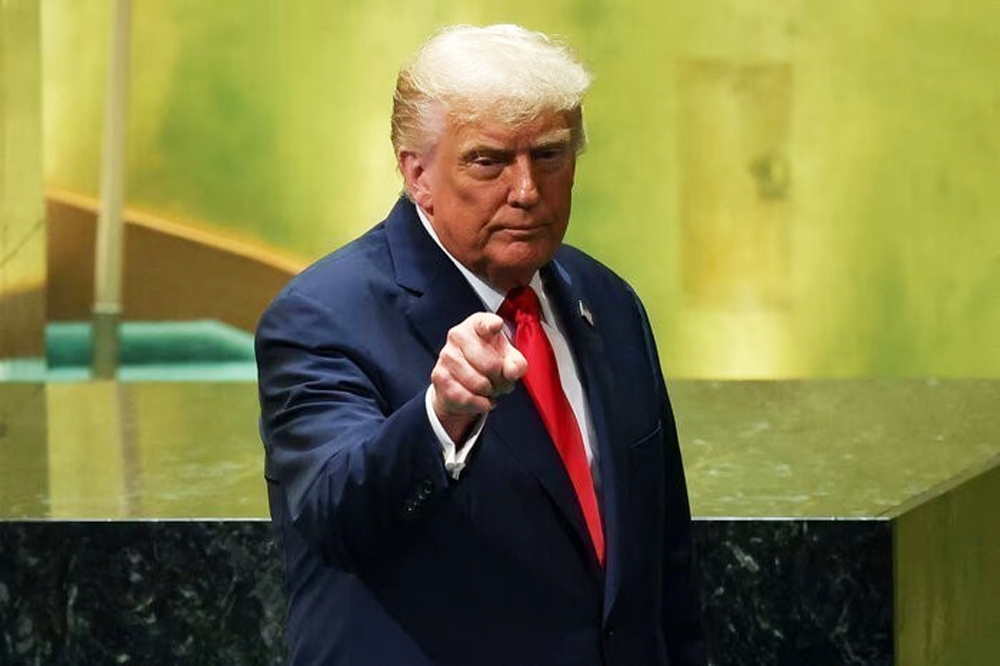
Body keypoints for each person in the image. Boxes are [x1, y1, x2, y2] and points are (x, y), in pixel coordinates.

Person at [256, 24, 706, 666]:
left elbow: (664, 565)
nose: (526, 190)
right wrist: (441, 418)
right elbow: (338, 517)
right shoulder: (323, 316)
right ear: (417, 173)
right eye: (488, 161)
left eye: (549, 156)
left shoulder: (608, 303)